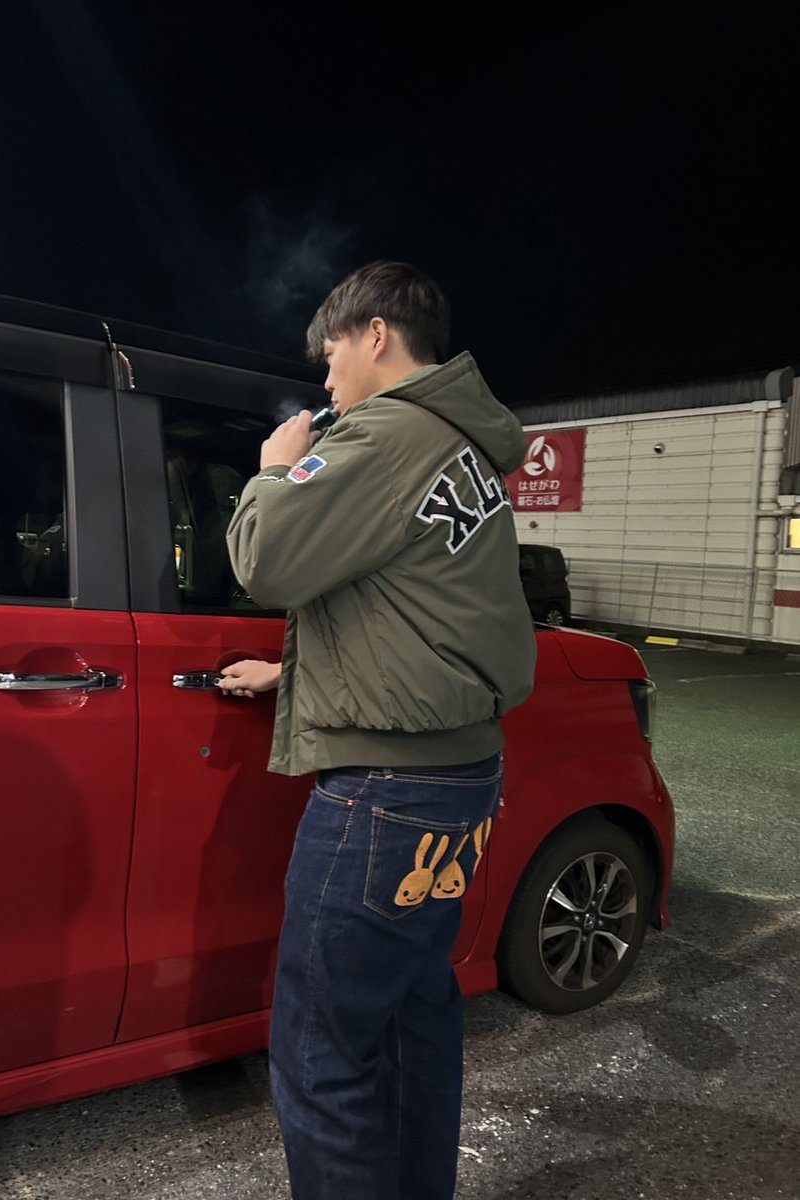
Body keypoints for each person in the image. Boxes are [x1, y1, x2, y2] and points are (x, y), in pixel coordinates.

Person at [220, 260, 536, 1200]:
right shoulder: (462, 446)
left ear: (375, 335)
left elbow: (266, 561)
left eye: (330, 357)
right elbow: (422, 609)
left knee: (323, 1049)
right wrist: (296, 672)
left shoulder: (385, 435)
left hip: (385, 795)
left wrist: (274, 470)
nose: (326, 380)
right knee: (412, 1013)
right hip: (458, 779)